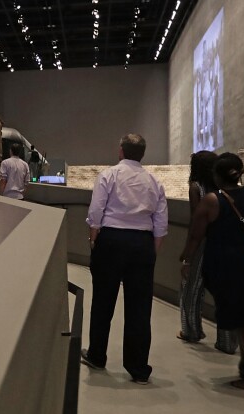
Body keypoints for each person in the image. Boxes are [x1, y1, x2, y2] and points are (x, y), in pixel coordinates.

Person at [179, 152, 244, 393]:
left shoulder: (212, 200)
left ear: (217, 176)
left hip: (231, 271)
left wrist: (187, 259)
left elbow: (196, 235)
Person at [81, 134, 167, 385]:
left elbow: (96, 212)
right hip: (142, 243)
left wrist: (94, 242)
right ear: (143, 154)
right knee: (140, 307)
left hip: (111, 240)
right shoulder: (154, 181)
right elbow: (160, 223)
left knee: (103, 301)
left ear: (121, 150)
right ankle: (138, 368)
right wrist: (151, 251)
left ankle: (97, 355)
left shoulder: (108, 175)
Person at [177, 150, 237, 353]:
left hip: (204, 243)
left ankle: (191, 331)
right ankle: (227, 341)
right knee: (225, 291)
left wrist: (188, 254)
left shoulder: (196, 187)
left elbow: (196, 222)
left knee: (191, 288)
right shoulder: (226, 187)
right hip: (227, 243)